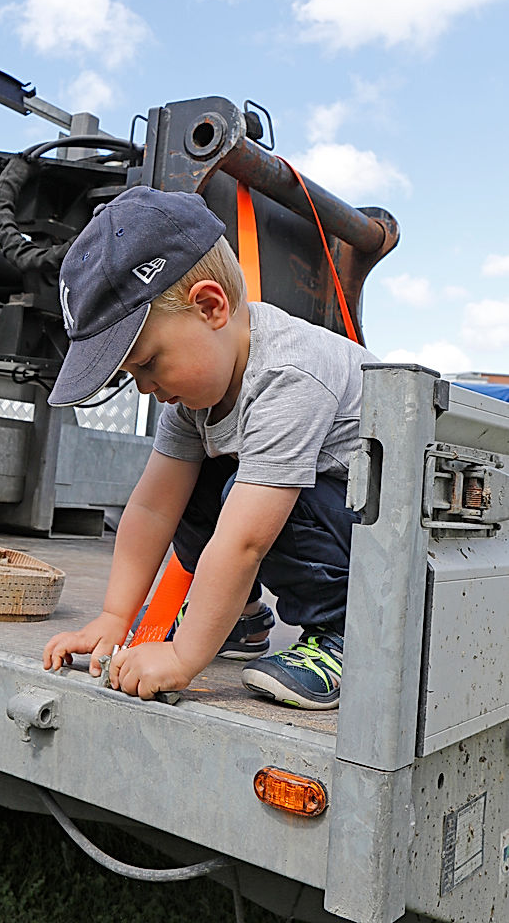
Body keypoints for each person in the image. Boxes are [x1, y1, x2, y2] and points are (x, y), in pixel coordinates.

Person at [42, 186, 375, 709]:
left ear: (210, 307)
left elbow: (244, 541)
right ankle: (239, 618)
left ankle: (347, 634)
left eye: (149, 362)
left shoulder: (289, 373)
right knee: (192, 487)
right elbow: (153, 508)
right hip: (334, 521)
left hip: (385, 548)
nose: (147, 387)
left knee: (255, 501)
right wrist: (114, 617)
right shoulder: (193, 400)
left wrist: (182, 658)